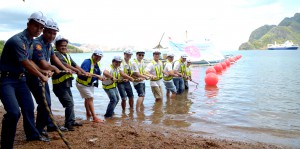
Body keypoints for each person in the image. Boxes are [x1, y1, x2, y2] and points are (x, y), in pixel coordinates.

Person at [0, 11, 50, 149]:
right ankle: (6, 146)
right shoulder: (17, 40)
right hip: (6, 80)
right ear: (28, 24)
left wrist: (42, 70)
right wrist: (42, 76)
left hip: (21, 80)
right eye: (36, 26)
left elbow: (30, 61)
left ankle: (32, 134)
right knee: (13, 113)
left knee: (29, 107)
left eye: (41, 28)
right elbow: (25, 63)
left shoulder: (31, 42)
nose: (39, 30)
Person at [28, 19, 72, 135]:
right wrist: (55, 69)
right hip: (34, 76)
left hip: (43, 75)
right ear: (44, 31)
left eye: (54, 33)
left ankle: (50, 125)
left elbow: (54, 58)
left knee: (48, 102)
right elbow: (42, 63)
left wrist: (65, 68)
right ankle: (39, 129)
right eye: (49, 32)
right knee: (44, 102)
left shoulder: (49, 45)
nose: (52, 35)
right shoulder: (38, 43)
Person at [51, 35, 88, 130]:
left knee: (71, 102)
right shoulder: (56, 54)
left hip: (66, 84)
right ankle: (68, 123)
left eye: (65, 45)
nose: (64, 47)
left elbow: (75, 64)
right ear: (56, 46)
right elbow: (65, 64)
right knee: (69, 103)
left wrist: (84, 72)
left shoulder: (67, 55)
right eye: (61, 45)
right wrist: (77, 71)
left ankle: (71, 120)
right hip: (59, 85)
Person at [76, 49, 105, 123]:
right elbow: (85, 73)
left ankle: (88, 113)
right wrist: (97, 76)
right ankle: (94, 117)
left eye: (99, 57)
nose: (98, 58)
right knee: (90, 98)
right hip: (82, 84)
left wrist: (100, 77)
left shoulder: (97, 64)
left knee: (87, 99)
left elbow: (97, 74)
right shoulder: (87, 62)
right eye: (96, 56)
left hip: (89, 85)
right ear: (93, 55)